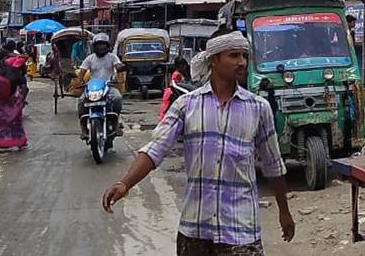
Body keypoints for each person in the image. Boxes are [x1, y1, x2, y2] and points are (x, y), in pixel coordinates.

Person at [102, 32, 296, 255]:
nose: (242, 62)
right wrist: (125, 184)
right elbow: (156, 149)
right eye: (234, 55)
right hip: (195, 230)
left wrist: (284, 211)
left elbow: (273, 164)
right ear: (214, 59)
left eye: (244, 55)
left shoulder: (258, 108)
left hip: (241, 230)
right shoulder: (187, 105)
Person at [78, 33, 124, 136]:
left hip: (109, 86)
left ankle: (115, 123)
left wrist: (124, 67)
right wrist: (79, 82)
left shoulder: (112, 57)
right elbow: (82, 72)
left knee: (117, 98)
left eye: (103, 44)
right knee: (81, 101)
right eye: (98, 44)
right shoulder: (90, 58)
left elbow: (118, 66)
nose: (101, 47)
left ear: (107, 46)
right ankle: (84, 128)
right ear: (94, 46)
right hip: (93, 87)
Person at [0, 41, 29, 152]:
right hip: (14, 95)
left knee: (0, 121)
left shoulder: (0, 64)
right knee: (16, 120)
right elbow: (23, 75)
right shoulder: (16, 59)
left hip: (1, 97)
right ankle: (19, 142)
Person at [158, 56, 192, 122]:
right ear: (179, 66)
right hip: (174, 94)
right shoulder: (176, 74)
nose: (184, 68)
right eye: (183, 66)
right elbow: (174, 84)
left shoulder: (182, 74)